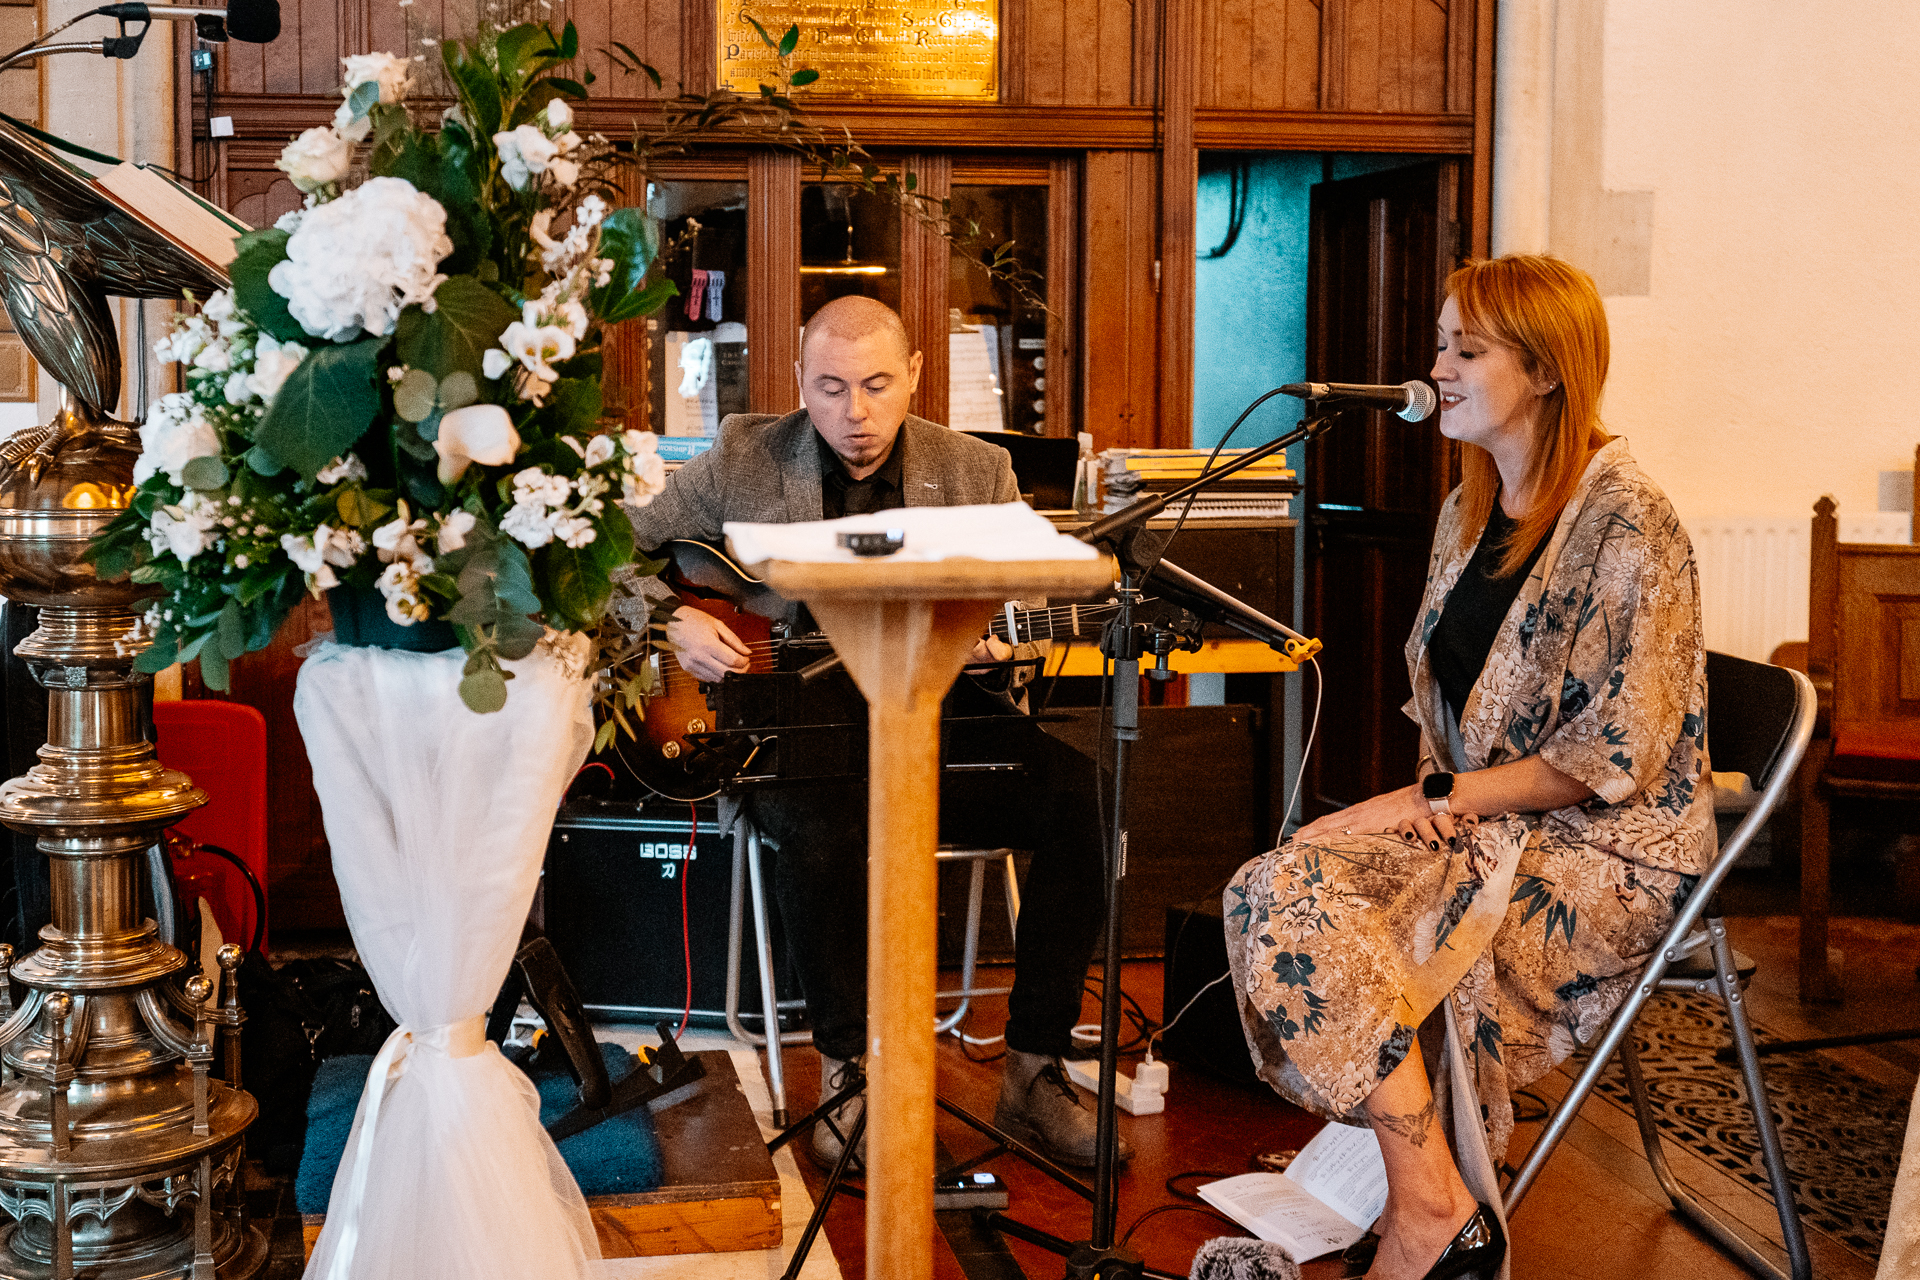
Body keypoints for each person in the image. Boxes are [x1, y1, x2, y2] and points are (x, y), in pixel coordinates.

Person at [1221, 255, 1711, 1280]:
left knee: (1310, 895)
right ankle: (1435, 1199)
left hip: (1606, 857)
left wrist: (1418, 801)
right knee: (1272, 885)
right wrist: (1423, 813)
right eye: (1442, 343)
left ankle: (1425, 1217)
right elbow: (1454, 713)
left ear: (1543, 368)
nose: (1437, 365)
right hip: (1490, 829)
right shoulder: (1468, 507)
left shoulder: (1631, 521)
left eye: (1466, 348)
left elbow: (1606, 756)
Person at [625, 295, 1125, 1170]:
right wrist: (670, 619)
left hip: (935, 708)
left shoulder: (976, 471)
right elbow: (608, 552)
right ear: (798, 384)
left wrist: (992, 645)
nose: (855, 414)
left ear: (917, 376)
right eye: (830, 388)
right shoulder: (745, 454)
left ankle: (1035, 1067)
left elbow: (1026, 608)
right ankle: (850, 1073)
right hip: (790, 712)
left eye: (877, 386)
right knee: (825, 829)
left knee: (1081, 796)